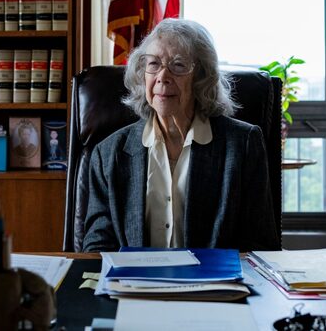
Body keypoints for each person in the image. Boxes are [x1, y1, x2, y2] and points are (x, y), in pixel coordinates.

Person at [82, 18, 279, 252]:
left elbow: (259, 244)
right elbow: (97, 247)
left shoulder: (242, 145)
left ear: (202, 77)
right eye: (153, 64)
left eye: (178, 65)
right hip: (134, 285)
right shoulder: (108, 153)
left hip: (214, 285)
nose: (162, 76)